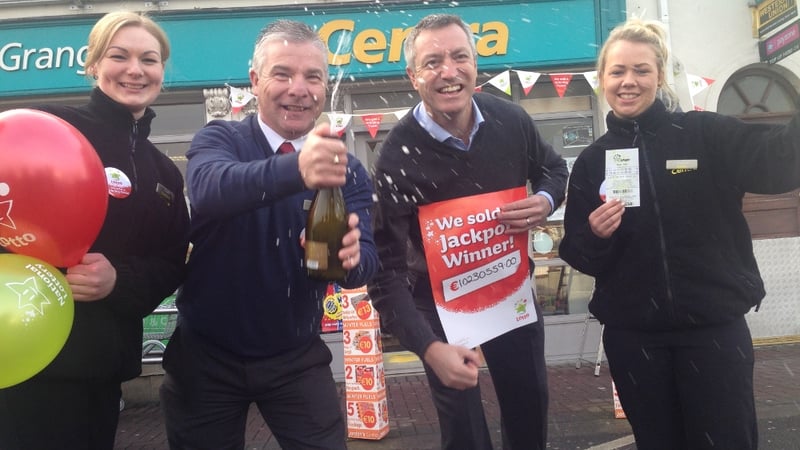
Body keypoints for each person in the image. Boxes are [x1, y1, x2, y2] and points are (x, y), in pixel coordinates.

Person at [558, 17, 800, 450]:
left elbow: (779, 162)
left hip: (713, 332)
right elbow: (578, 253)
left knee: (727, 441)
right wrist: (595, 235)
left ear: (660, 76)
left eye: (641, 70)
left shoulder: (705, 134)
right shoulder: (593, 161)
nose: (628, 81)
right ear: (602, 80)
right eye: (617, 71)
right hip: (635, 342)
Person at [159, 19, 378, 450]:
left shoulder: (347, 167)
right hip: (206, 357)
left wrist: (353, 258)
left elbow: (366, 262)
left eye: (312, 76)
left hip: (295, 355)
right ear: (255, 81)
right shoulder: (220, 137)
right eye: (283, 73)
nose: (299, 88)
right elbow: (208, 190)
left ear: (325, 85)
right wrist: (297, 170)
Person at [367, 14, 568, 450]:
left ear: (476, 65)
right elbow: (384, 273)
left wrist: (547, 200)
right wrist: (426, 347)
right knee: (464, 432)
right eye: (432, 61)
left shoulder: (510, 120)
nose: (449, 71)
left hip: (509, 294)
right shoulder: (395, 157)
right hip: (441, 307)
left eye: (460, 57)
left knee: (529, 411)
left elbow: (554, 168)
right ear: (412, 77)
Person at [0, 11, 190, 450]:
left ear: (162, 70)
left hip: (104, 368)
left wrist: (118, 280)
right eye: (119, 56)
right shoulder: (49, 128)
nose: (135, 70)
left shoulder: (163, 171)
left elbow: (171, 260)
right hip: (25, 357)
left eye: (149, 59)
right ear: (93, 64)